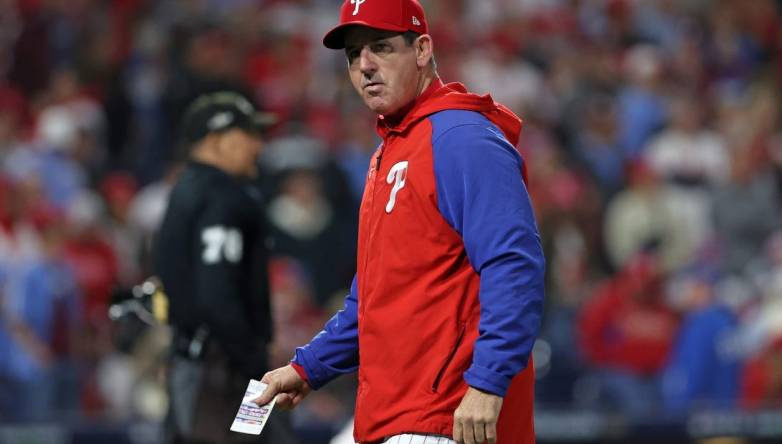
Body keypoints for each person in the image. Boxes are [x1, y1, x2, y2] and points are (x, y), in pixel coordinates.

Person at [253, 2, 546, 444]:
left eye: (382, 47)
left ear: (423, 49)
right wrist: (306, 368)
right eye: (353, 55)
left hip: (448, 416)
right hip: (400, 416)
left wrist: (487, 380)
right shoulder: (392, 150)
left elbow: (514, 265)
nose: (365, 66)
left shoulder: (460, 138)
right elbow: (374, 297)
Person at [154, 91, 293, 444]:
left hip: (194, 362)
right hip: (223, 372)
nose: (258, 145)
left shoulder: (184, 191)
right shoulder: (222, 196)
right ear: (217, 140)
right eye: (249, 135)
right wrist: (255, 361)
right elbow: (216, 295)